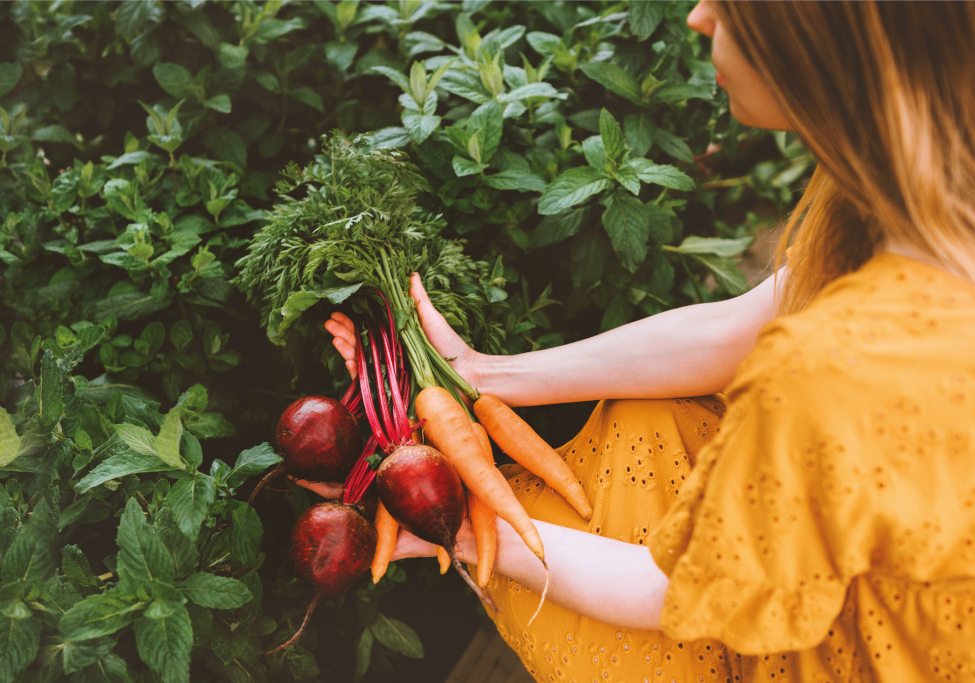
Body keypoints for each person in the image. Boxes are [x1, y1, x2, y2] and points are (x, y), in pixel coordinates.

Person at [320, 1, 975, 680]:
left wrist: (468, 528)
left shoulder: (831, 366)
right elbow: (738, 330)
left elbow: (665, 589)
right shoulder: (933, 167)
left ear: (824, 36)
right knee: (645, 422)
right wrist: (484, 372)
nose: (698, 16)